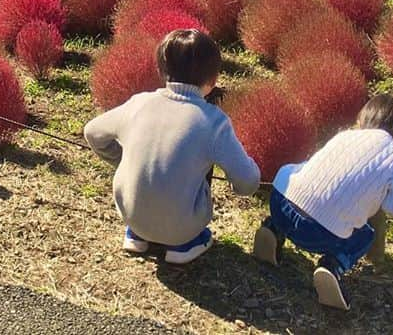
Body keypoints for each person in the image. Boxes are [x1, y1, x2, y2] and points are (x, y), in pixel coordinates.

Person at [83, 29, 260, 265]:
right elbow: (248, 181)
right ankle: (186, 244)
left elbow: (92, 132)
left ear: (161, 70)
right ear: (213, 79)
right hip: (182, 228)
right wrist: (238, 185)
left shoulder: (139, 103)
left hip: (131, 214)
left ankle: (137, 235)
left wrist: (123, 160)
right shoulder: (214, 122)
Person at [252, 95, 393, 311]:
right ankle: (332, 266)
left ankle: (273, 228)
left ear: (364, 119)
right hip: (320, 234)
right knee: (366, 234)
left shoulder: (344, 136)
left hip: (281, 202)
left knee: (307, 190)